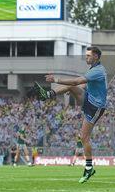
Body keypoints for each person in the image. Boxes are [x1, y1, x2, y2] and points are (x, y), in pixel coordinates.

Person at [31, 46, 107, 183]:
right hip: (89, 99)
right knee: (83, 137)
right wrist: (73, 90)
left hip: (95, 107)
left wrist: (56, 80)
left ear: (96, 57)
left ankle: (89, 168)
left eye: (89, 55)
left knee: (84, 138)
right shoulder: (93, 69)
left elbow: (77, 81)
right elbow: (83, 85)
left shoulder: (98, 70)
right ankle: (47, 94)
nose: (86, 57)